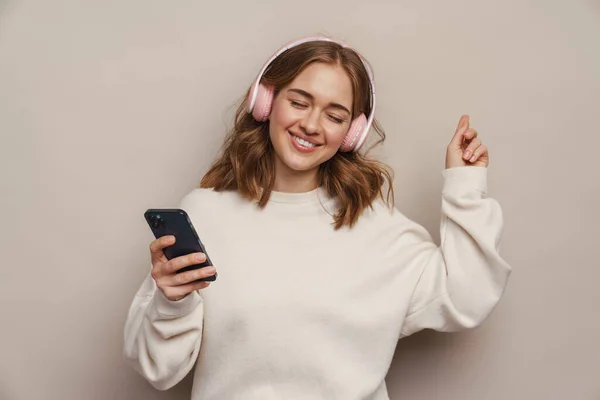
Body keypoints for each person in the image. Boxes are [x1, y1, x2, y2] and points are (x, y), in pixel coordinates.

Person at [123, 36, 512, 400]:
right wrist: (171, 302)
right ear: (266, 101)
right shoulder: (205, 214)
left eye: (334, 114)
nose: (311, 125)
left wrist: (465, 185)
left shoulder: (377, 228)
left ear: (351, 133)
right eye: (299, 101)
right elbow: (159, 369)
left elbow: (467, 297)